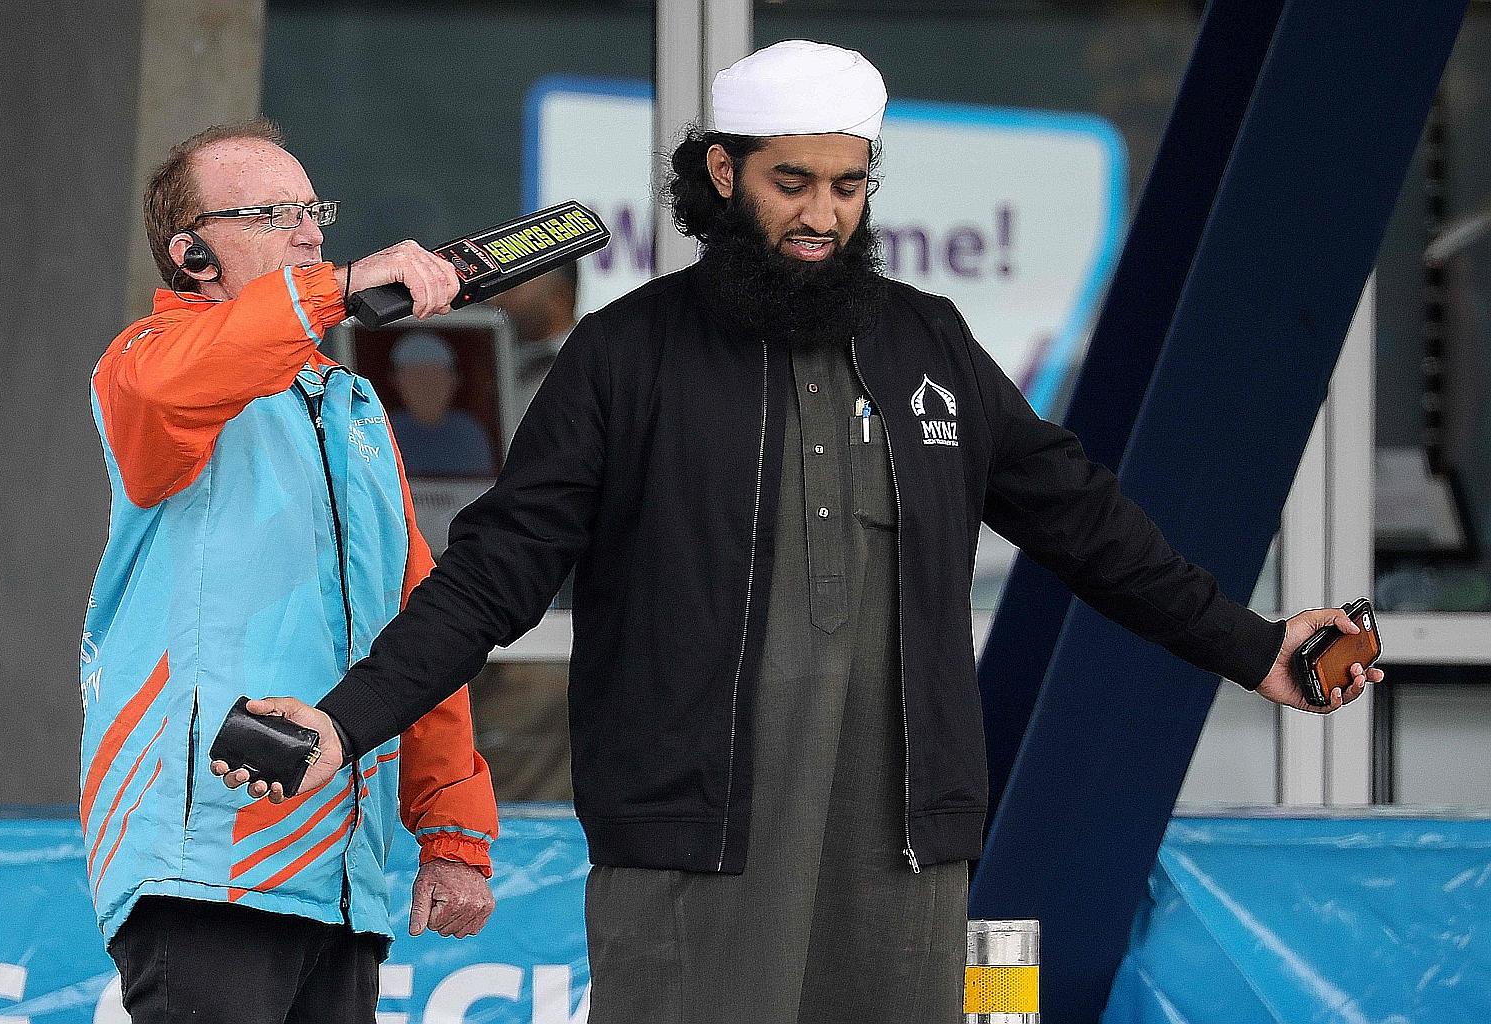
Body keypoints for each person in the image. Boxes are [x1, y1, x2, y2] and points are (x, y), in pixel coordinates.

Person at [216, 42, 1381, 1024]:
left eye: (848, 183)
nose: (824, 215)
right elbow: (491, 581)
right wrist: (345, 722)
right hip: (693, 856)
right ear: (722, 174)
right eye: (792, 183)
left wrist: (1252, 644)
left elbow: (1087, 525)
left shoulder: (930, 345)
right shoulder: (626, 358)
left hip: (900, 871)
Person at [81, 118, 499, 1024]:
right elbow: (188, 378)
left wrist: (453, 824)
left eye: (315, 211)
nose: (312, 234)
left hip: (343, 875)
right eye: (276, 214)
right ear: (193, 254)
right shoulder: (145, 365)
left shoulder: (350, 407)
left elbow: (418, 623)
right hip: (204, 862)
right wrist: (339, 290)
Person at [387, 329, 496, 475]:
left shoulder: (468, 433)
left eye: (436, 378)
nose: (426, 388)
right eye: (416, 379)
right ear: (397, 382)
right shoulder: (386, 431)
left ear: (453, 381)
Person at [489, 261, 580, 432]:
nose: (496, 301)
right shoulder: (489, 357)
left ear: (559, 299)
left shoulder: (592, 366)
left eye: (512, 290)